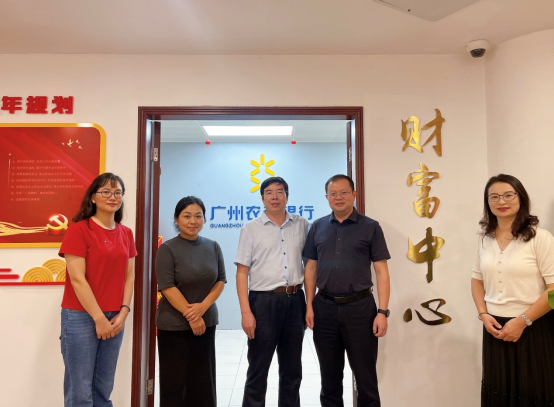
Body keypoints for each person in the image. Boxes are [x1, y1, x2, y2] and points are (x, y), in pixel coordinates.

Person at [302, 174, 391, 407]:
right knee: (329, 379)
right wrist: (309, 305)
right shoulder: (317, 227)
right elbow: (310, 267)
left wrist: (382, 312)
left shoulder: (370, 227)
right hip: (324, 308)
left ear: (354, 194)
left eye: (343, 192)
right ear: (327, 197)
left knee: (366, 379)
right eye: (333, 194)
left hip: (360, 309)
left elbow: (381, 271)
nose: (338, 197)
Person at [471, 174, 554, 406]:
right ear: (487, 202)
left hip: (533, 326)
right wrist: (483, 314)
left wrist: (523, 321)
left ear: (521, 198)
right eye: (494, 197)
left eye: (508, 195)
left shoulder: (540, 237)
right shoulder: (485, 239)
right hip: (494, 328)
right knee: (499, 394)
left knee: (533, 392)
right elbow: (476, 280)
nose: (501, 201)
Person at [58, 172, 136, 406]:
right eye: (106, 192)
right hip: (81, 316)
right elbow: (77, 279)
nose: (112, 197)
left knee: (103, 388)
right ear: (93, 197)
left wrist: (124, 312)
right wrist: (98, 318)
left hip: (115, 317)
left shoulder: (126, 233)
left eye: (117, 192)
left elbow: (129, 277)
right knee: (81, 390)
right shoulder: (79, 230)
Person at [235, 176, 309, 407]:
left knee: (292, 369)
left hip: (295, 301)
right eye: (269, 192)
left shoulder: (302, 224)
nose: (274, 197)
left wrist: (310, 304)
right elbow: (241, 273)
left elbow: (310, 267)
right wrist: (246, 312)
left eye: (279, 192)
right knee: (258, 369)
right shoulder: (251, 228)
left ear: (287, 196)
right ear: (262, 198)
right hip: (263, 302)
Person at [155, 196, 226, 407]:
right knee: (175, 384)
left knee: (203, 381)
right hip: (174, 325)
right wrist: (193, 317)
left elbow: (220, 280)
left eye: (198, 216)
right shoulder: (167, 249)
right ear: (176, 219)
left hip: (207, 323)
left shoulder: (213, 246)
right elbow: (167, 286)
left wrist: (203, 308)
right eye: (186, 216)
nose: (193, 221)